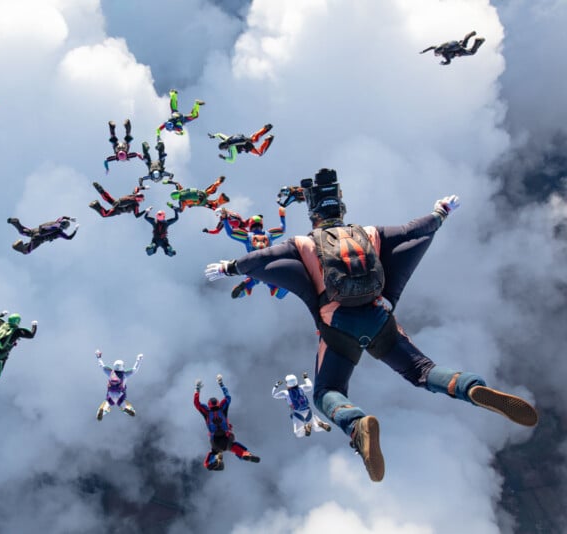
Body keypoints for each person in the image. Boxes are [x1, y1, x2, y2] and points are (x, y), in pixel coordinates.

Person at [204, 168, 538, 482]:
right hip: (379, 319)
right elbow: (414, 230)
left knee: (326, 393)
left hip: (338, 327)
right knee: (423, 370)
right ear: (341, 209)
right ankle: (469, 388)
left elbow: (264, 258)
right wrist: (441, 213)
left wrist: (230, 267)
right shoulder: (369, 234)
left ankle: (356, 424)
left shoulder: (303, 244)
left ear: (313, 215)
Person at [194, 374, 260, 471]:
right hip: (227, 437)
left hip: (215, 441)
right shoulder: (222, 408)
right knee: (235, 447)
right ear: (218, 403)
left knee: (212, 453)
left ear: (209, 405)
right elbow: (228, 397)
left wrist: (197, 389)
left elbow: (196, 403)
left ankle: (210, 463)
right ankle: (244, 454)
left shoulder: (207, 412)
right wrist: (221, 384)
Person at [223, 207, 288, 299]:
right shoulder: (269, 235)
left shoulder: (247, 236)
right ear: (261, 224)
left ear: (250, 225)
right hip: (267, 264)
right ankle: (273, 287)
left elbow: (230, 233)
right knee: (275, 287)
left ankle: (245, 286)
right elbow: (282, 229)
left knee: (253, 277)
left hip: (253, 263)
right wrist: (282, 216)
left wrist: (225, 218)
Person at [272, 372, 331, 437]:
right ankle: (321, 424)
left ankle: (306, 427)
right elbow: (310, 386)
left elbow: (274, 395)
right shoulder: (301, 388)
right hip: (308, 410)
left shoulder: (285, 393)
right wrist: (305, 378)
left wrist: (276, 385)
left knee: (298, 433)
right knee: (316, 428)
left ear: (287, 383)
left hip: (297, 413)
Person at [96, 349, 143, 420]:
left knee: (107, 404)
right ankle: (128, 408)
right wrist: (138, 359)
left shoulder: (110, 372)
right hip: (120, 395)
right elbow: (135, 369)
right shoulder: (125, 374)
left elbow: (101, 365)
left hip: (110, 394)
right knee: (124, 404)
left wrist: (98, 357)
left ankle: (103, 410)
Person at [7, 216, 78, 254]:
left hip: (37, 230)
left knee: (23, 231)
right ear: (64, 228)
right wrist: (75, 230)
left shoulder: (57, 221)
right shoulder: (59, 232)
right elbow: (69, 237)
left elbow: (62, 217)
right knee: (26, 251)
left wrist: (70, 218)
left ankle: (16, 222)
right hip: (39, 238)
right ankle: (21, 247)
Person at [208, 124, 274, 163]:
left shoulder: (232, 149)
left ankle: (268, 139)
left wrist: (224, 158)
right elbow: (219, 134)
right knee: (254, 138)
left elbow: (232, 160)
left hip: (246, 146)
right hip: (245, 139)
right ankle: (265, 128)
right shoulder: (227, 139)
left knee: (259, 153)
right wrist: (213, 136)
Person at [420, 31, 485, 65]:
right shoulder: (437, 46)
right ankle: (469, 35)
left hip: (458, 51)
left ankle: (477, 41)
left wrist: (443, 63)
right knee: (463, 45)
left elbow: (448, 62)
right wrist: (423, 51)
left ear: (440, 52)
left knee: (472, 52)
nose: (437, 55)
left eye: (437, 54)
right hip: (456, 44)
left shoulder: (444, 54)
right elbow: (431, 47)